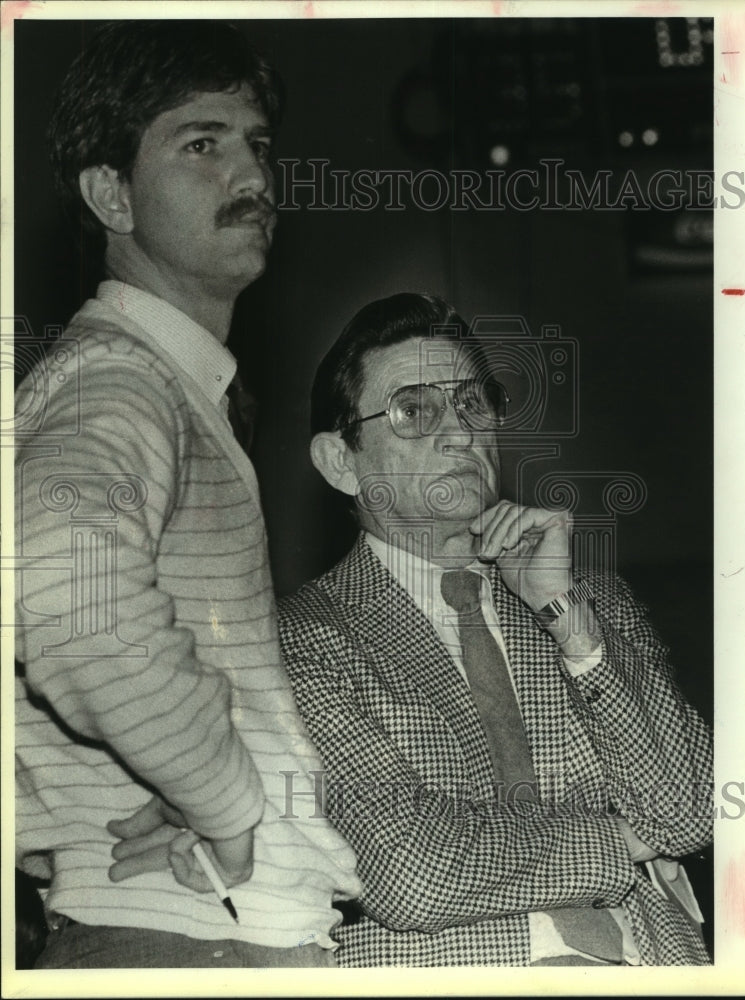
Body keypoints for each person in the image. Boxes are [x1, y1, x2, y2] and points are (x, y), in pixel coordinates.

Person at [14, 20, 359, 969]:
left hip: (212, 932)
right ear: (109, 194)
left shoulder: (163, 387)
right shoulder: (114, 385)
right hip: (183, 938)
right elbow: (67, 603)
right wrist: (226, 802)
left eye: (257, 145)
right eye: (200, 144)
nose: (248, 175)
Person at [276, 292, 714, 966]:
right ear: (342, 461)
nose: (458, 433)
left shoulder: (589, 597)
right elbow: (410, 875)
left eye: (472, 404)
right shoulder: (302, 638)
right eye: (413, 411)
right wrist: (619, 842)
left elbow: (687, 812)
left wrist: (567, 620)